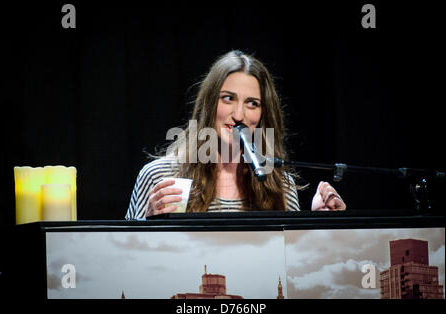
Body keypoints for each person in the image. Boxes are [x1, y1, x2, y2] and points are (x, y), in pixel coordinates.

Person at [125, 50, 346, 220]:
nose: (239, 115)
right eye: (228, 98)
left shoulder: (280, 186)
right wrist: (147, 225)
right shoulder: (161, 176)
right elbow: (128, 265)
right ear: (210, 104)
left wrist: (320, 224)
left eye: (252, 103)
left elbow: (290, 269)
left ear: (263, 114)